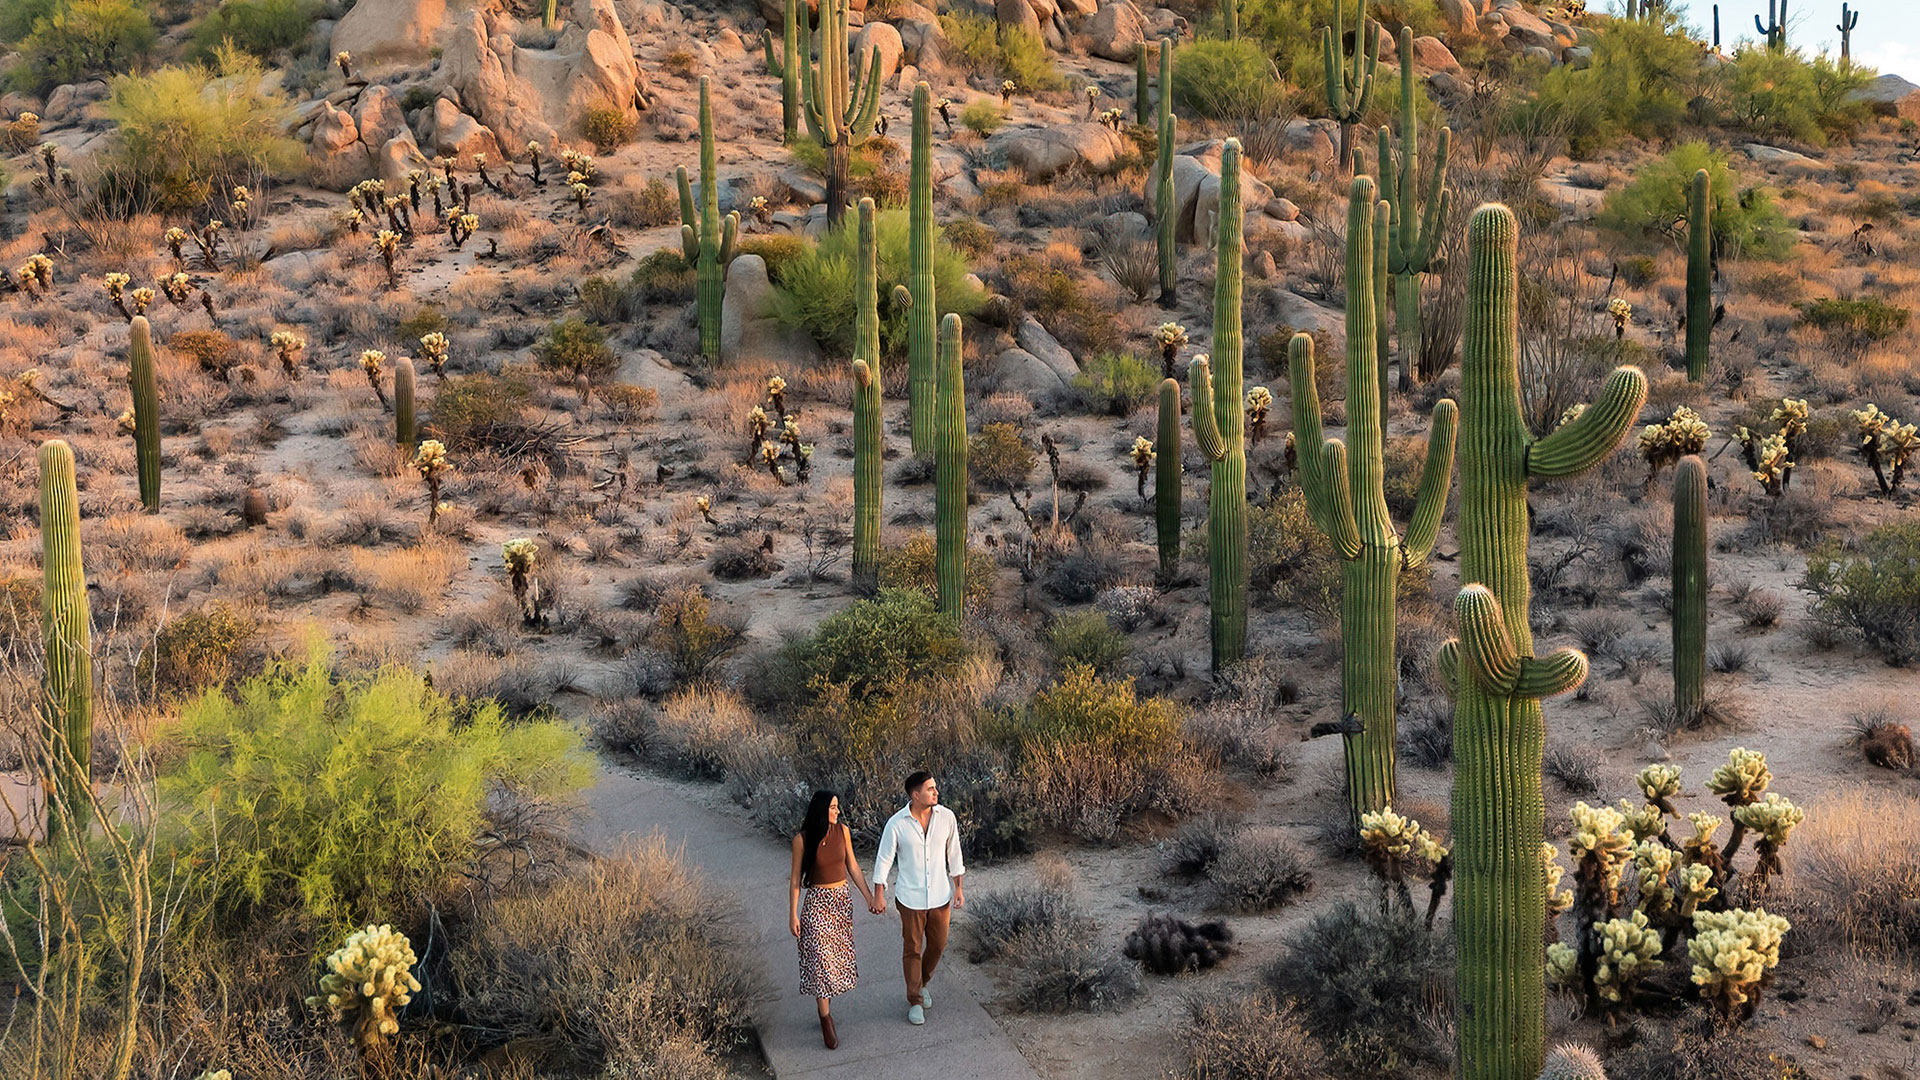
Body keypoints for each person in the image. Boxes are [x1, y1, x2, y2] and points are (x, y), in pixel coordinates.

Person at [870, 770, 965, 1026]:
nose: (936, 792)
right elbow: (884, 860)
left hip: (939, 895)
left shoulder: (946, 818)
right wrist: (879, 894)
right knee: (912, 949)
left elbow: (954, 853)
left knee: (939, 944)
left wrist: (958, 887)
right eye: (930, 789)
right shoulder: (897, 823)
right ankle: (915, 1000)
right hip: (909, 898)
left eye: (935, 787)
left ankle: (920, 984)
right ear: (915, 795)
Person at [790, 790, 874, 1050]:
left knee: (835, 961)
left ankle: (824, 1005)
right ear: (821, 809)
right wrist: (792, 914)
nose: (837, 811)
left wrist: (869, 897)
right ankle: (825, 1018)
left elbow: (854, 867)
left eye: (838, 807)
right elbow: (795, 880)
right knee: (821, 961)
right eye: (833, 807)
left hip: (840, 903)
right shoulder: (801, 840)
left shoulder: (843, 832)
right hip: (816, 905)